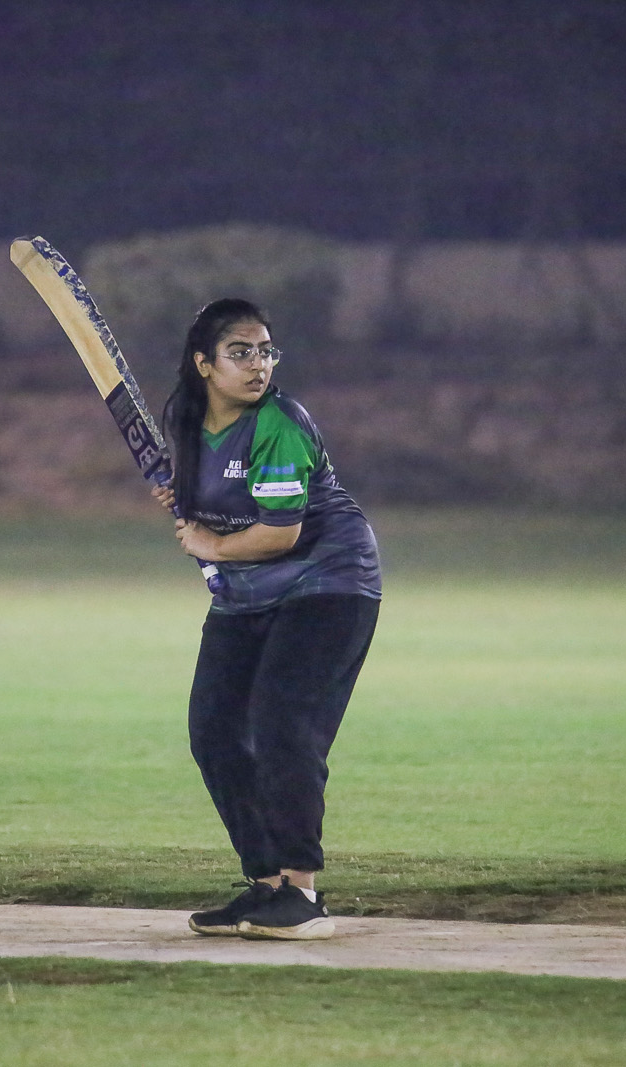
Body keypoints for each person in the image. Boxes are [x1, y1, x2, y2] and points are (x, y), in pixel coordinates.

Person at [152, 298, 382, 941]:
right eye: (240, 353)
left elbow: (279, 534)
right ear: (204, 364)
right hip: (246, 594)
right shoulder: (186, 420)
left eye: (265, 351)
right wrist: (185, 496)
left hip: (327, 583)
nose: (259, 365)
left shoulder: (280, 422)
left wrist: (211, 544)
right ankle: (266, 885)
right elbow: (213, 494)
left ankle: (302, 893)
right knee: (214, 732)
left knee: (283, 723)